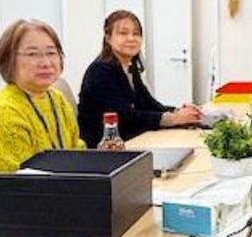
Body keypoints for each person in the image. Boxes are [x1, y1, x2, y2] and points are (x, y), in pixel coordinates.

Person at [77, 10, 203, 147]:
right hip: (106, 149)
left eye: (136, 33)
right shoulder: (100, 71)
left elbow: (150, 104)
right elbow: (125, 117)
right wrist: (173, 119)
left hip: (133, 141)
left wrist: (179, 112)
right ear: (108, 38)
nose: (131, 38)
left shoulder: (130, 68)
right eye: (123, 33)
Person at [0, 20, 85, 173]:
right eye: (32, 54)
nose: (46, 63)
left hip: (62, 184)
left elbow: (76, 151)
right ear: (9, 59)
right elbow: (17, 180)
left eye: (51, 53)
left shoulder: (58, 99)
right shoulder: (4, 111)